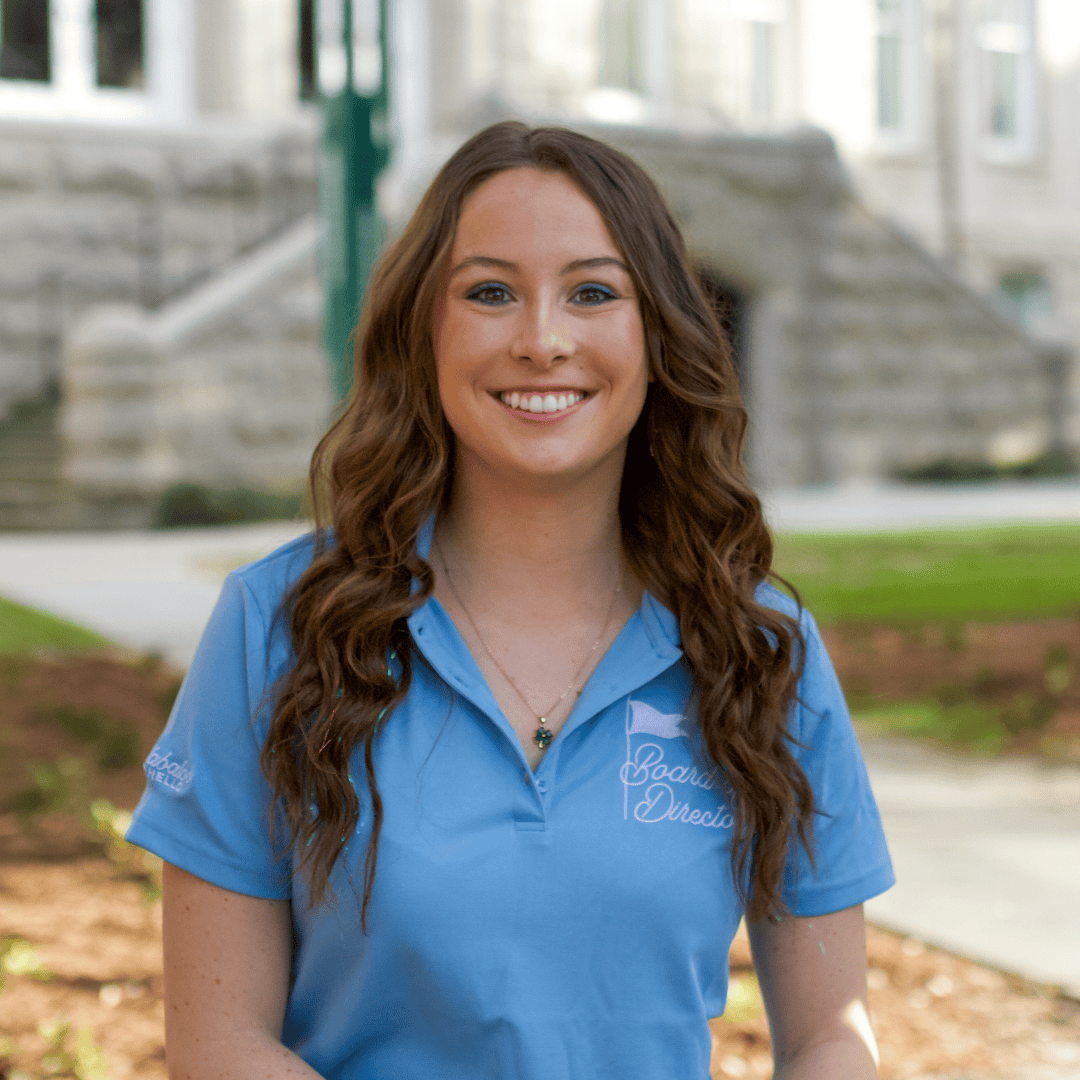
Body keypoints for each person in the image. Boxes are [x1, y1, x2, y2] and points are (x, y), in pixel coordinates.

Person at [126, 121, 893, 1080]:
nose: (542, 340)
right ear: (426, 332)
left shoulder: (759, 649)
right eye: (490, 293)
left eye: (593, 292)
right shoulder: (276, 625)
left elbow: (833, 1036)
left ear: (657, 336)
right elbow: (218, 1042)